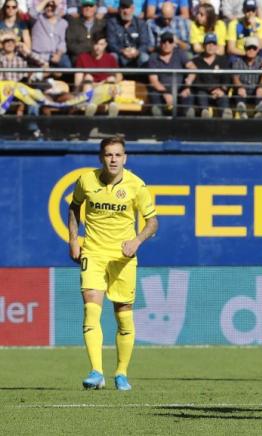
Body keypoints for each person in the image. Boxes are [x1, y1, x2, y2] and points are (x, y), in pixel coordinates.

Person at [68, 137, 159, 391]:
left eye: (118, 155)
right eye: (108, 155)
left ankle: (121, 373)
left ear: (125, 158)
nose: (113, 159)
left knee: (124, 318)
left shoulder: (136, 185)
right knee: (91, 310)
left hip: (123, 258)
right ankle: (96, 371)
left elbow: (153, 222)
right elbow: (74, 208)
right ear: (101, 157)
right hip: (94, 253)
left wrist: (137, 240)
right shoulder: (86, 180)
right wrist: (74, 240)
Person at [185, 33, 232, 118]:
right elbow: (195, 81)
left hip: (218, 91)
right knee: (201, 95)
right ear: (203, 46)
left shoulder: (223, 60)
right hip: (202, 91)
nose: (211, 46)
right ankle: (204, 114)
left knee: (224, 98)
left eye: (213, 44)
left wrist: (221, 89)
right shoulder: (196, 61)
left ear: (217, 46)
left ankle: (226, 120)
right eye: (208, 44)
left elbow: (227, 78)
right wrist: (210, 90)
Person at [147, 31, 194, 116]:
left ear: (173, 44)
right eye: (164, 41)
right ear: (160, 43)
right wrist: (166, 93)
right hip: (161, 91)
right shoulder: (153, 57)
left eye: (170, 41)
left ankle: (188, 121)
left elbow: (192, 68)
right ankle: (158, 119)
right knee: (153, 93)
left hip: (180, 89)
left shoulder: (180, 53)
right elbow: (153, 80)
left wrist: (188, 84)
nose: (167, 44)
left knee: (188, 94)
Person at [231, 36, 262, 118]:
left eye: (254, 48)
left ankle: (259, 111)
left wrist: (261, 87)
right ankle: (242, 112)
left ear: (258, 50)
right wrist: (240, 87)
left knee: (261, 94)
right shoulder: (237, 62)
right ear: (244, 48)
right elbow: (235, 77)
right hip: (242, 91)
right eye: (249, 48)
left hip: (256, 91)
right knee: (239, 95)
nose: (251, 50)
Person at [106, 0, 150, 67]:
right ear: (119, 9)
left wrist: (137, 52)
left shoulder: (141, 23)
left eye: (128, 8)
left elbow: (144, 43)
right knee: (112, 56)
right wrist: (122, 51)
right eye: (123, 8)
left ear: (133, 9)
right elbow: (111, 43)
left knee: (144, 57)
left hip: (136, 55)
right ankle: (115, 77)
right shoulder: (112, 23)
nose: (126, 11)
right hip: (120, 54)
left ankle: (141, 77)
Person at [31, 0, 71, 67]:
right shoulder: (37, 19)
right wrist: (46, 1)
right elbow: (32, 13)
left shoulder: (63, 22)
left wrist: (58, 54)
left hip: (56, 55)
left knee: (67, 65)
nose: (49, 8)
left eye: (52, 6)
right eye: (47, 6)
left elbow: (62, 42)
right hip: (39, 55)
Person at [65, 0, 106, 65]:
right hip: (79, 57)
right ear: (81, 8)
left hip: (97, 57)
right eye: (85, 6)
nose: (88, 8)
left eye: (91, 6)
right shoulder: (73, 24)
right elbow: (70, 44)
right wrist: (89, 51)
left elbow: (105, 43)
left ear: (95, 8)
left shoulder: (101, 25)